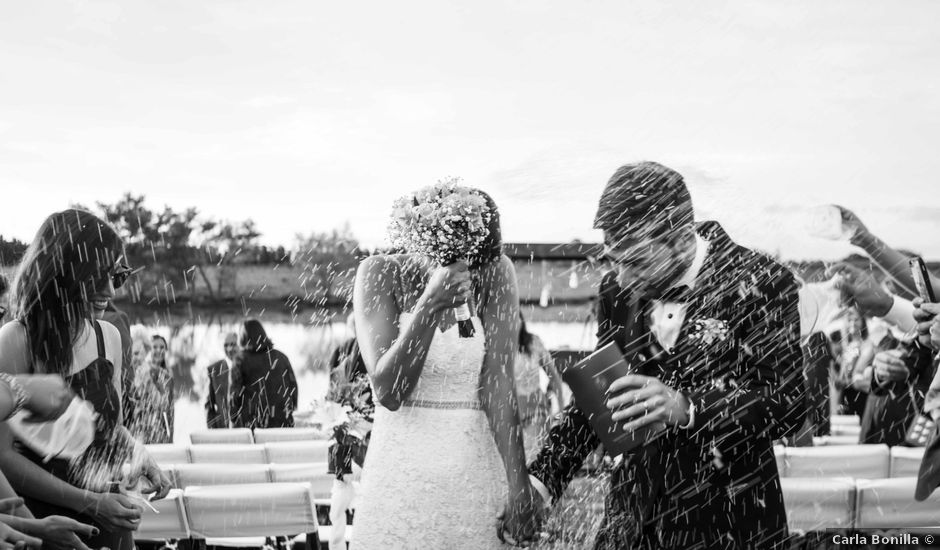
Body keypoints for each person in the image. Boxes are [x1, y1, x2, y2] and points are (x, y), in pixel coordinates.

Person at [522, 162, 805, 549]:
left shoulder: (763, 280)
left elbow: (787, 404)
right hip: (633, 520)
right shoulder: (615, 291)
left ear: (682, 238)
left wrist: (687, 407)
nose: (620, 277)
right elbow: (602, 396)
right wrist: (541, 482)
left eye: (635, 262)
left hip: (729, 521)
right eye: (613, 259)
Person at [350, 189, 537, 549]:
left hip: (473, 466)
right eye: (467, 258)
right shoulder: (378, 273)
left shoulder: (495, 271)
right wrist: (429, 305)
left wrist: (520, 485)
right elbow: (388, 392)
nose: (474, 271)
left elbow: (498, 382)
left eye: (480, 260)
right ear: (430, 245)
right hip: (401, 468)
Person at [0, 209, 172, 550]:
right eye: (98, 277)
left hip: (111, 514)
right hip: (43, 524)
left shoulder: (108, 336)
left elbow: (111, 427)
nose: (111, 290)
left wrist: (140, 455)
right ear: (63, 273)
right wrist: (87, 503)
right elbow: (2, 456)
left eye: (117, 276)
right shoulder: (16, 341)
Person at [514, 312, 563, 461]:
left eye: (516, 318)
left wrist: (561, 411)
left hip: (535, 410)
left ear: (521, 320)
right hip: (511, 411)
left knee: (532, 459)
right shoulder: (498, 346)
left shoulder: (533, 342)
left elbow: (554, 377)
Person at [231, 319, 298, 429]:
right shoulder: (282, 358)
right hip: (283, 425)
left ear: (243, 338)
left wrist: (233, 421)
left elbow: (234, 397)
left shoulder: (240, 360)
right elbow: (293, 390)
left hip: (252, 427)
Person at [127, 334, 174, 443]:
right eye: (155, 347)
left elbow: (169, 410)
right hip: (139, 428)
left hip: (157, 427)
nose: (158, 350)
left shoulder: (166, 376)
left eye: (162, 347)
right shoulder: (139, 371)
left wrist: (171, 437)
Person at [205, 332, 240, 429]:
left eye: (233, 344)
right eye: (226, 345)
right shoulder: (215, 370)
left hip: (243, 430)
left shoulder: (248, 367)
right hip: (222, 430)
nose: (229, 349)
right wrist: (212, 426)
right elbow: (209, 404)